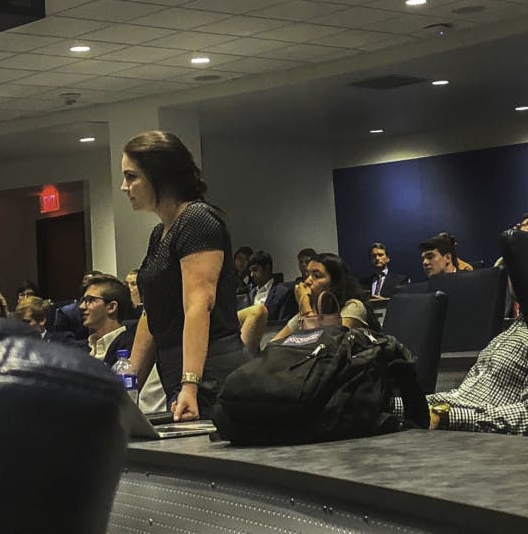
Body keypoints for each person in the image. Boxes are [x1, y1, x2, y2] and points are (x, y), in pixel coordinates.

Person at [395, 216, 528, 435]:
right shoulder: (513, 331)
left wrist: (446, 418)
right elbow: (459, 398)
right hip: (454, 429)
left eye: (519, 257)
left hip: (476, 441)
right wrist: (390, 404)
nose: (510, 268)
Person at [121, 130, 249, 421]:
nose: (124, 186)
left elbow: (198, 305)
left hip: (210, 372)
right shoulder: (159, 233)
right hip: (179, 371)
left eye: (131, 177)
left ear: (160, 176)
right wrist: (128, 387)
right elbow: (153, 313)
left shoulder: (197, 219)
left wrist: (190, 384)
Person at [79, 274, 165, 414]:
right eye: (83, 300)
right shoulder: (84, 349)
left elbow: (147, 406)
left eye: (90, 300)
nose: (82, 306)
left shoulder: (135, 349)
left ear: (111, 307)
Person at [270, 252, 378, 344]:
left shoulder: (354, 306)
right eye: (307, 275)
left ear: (335, 283)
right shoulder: (309, 312)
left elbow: (325, 344)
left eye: (317, 276)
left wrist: (305, 307)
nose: (307, 281)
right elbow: (273, 343)